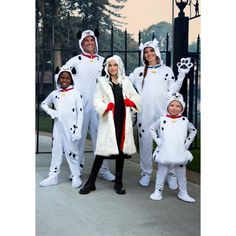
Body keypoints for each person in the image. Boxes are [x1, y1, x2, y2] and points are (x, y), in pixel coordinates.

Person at [129, 39, 193, 188]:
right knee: (145, 144)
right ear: (143, 54)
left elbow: (172, 91)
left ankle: (171, 175)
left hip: (163, 114)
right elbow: (125, 82)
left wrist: (182, 75)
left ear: (156, 52)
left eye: (151, 50)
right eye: (146, 52)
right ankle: (145, 173)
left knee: (167, 143)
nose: (149, 54)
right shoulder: (138, 72)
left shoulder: (167, 71)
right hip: (144, 114)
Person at [79, 55, 141, 195]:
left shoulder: (126, 82)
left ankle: (118, 183)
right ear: (107, 67)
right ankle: (90, 182)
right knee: (101, 151)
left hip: (122, 120)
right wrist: (106, 106)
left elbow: (136, 96)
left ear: (119, 66)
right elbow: (97, 101)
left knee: (120, 152)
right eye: (110, 65)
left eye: (115, 65)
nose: (112, 68)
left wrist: (131, 102)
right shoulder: (102, 82)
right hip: (109, 121)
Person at [64, 29, 115, 182]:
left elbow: (111, 80)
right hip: (80, 105)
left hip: (98, 106)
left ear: (95, 42)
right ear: (81, 43)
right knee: (77, 139)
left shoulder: (103, 61)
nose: (89, 43)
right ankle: (76, 170)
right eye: (86, 41)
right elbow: (61, 76)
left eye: (91, 40)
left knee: (101, 138)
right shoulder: (75, 61)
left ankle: (103, 169)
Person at [39, 66, 84, 188]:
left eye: (67, 78)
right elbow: (43, 104)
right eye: (62, 78)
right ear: (58, 79)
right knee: (56, 151)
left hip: (71, 128)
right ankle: (53, 175)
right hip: (58, 128)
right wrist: (50, 111)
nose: (64, 80)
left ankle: (76, 175)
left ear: (71, 79)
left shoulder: (76, 93)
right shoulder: (54, 94)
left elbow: (80, 112)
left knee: (72, 151)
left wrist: (78, 129)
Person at [149, 92, 197, 202]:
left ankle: (183, 192)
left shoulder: (184, 121)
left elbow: (193, 131)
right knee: (161, 171)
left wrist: (187, 144)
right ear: (167, 106)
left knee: (181, 173)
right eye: (172, 105)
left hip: (179, 151)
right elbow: (152, 128)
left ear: (182, 108)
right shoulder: (162, 119)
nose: (174, 108)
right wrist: (158, 141)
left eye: (178, 106)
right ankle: (158, 191)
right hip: (165, 151)